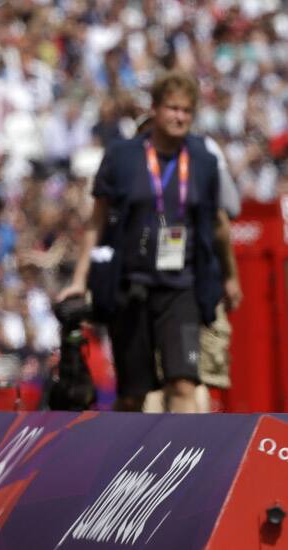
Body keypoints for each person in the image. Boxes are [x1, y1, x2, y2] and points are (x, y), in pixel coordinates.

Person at [58, 70, 230, 413]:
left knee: (183, 383)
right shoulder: (123, 156)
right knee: (135, 394)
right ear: (155, 109)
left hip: (181, 288)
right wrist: (79, 280)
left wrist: (230, 276)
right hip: (130, 286)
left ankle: (186, 464)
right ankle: (127, 460)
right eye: (172, 108)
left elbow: (216, 223)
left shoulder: (204, 161)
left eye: (186, 110)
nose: (179, 117)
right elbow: (96, 222)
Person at [132, 117, 243, 414]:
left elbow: (229, 209)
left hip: (196, 284)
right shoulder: (129, 167)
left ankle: (192, 453)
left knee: (193, 379)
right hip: (150, 288)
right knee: (158, 383)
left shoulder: (202, 156)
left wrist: (229, 277)